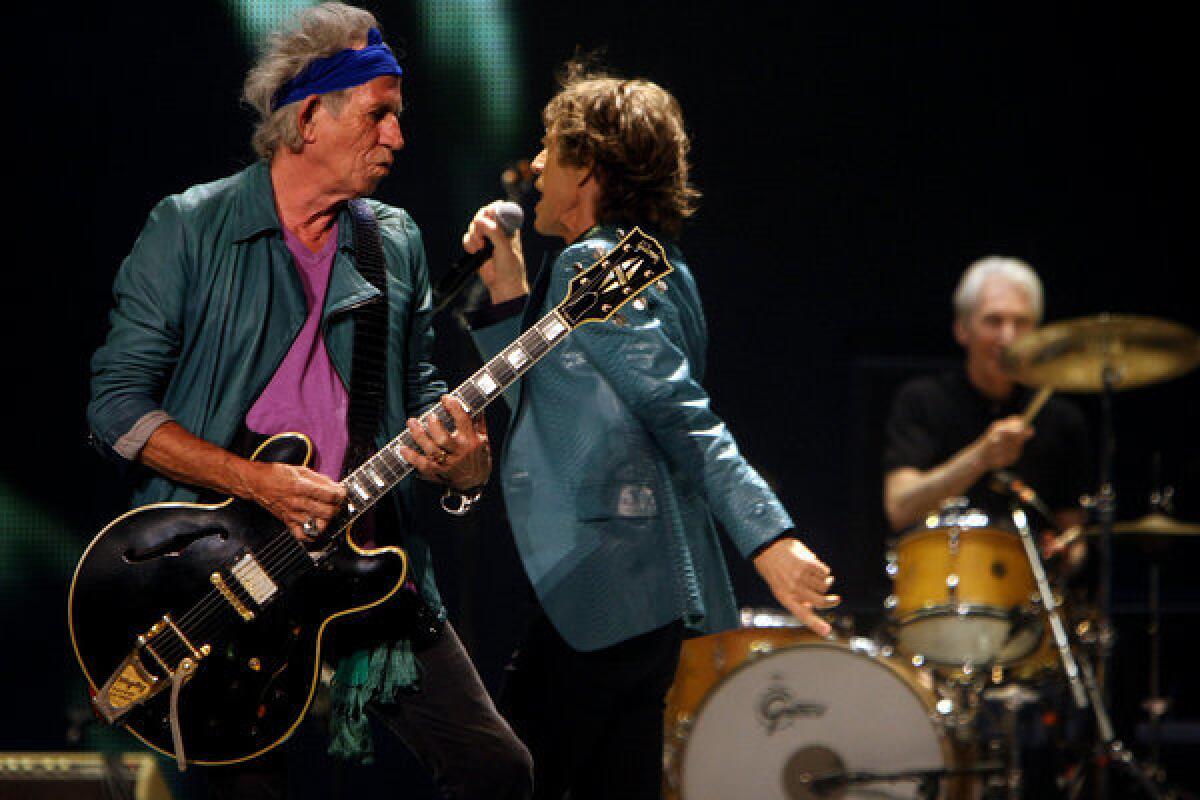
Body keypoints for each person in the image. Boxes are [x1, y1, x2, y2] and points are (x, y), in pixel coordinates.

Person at [86, 4, 531, 798]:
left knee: (497, 770)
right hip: (216, 574)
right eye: (379, 115)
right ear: (309, 117)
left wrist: (465, 468)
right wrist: (256, 481)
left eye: (399, 117)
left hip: (367, 559)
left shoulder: (391, 239)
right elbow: (116, 408)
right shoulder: (189, 228)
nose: (397, 137)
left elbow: (422, 390)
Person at [459, 63, 839, 799]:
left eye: (549, 147)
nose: (534, 166)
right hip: (646, 591)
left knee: (505, 777)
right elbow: (558, 412)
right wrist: (507, 285)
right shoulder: (655, 265)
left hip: (606, 580)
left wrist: (768, 537)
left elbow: (680, 413)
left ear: (588, 166)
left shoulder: (591, 264)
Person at [883, 256, 1090, 535]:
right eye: (993, 321)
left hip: (1029, 576)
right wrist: (980, 457)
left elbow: (1072, 535)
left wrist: (1069, 552)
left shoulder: (1061, 418)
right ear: (961, 329)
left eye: (1021, 323)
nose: (1008, 337)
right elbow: (899, 508)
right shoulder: (922, 400)